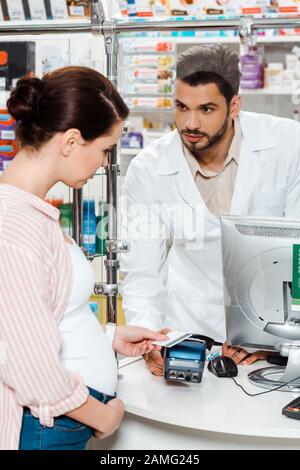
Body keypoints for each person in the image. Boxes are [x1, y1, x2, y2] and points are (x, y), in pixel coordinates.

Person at [0, 67, 166, 450]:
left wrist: (108, 336)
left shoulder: (33, 213)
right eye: (105, 149)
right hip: (46, 428)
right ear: (72, 141)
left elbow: (39, 315)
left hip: (58, 424)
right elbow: (29, 367)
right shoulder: (14, 227)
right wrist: (101, 416)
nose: (104, 164)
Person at [120, 44, 300, 375]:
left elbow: (296, 253)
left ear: (234, 106)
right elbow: (144, 272)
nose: (189, 123)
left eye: (206, 109)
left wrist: (274, 336)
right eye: (181, 107)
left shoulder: (288, 145)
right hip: (186, 338)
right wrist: (150, 339)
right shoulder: (148, 168)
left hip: (273, 342)